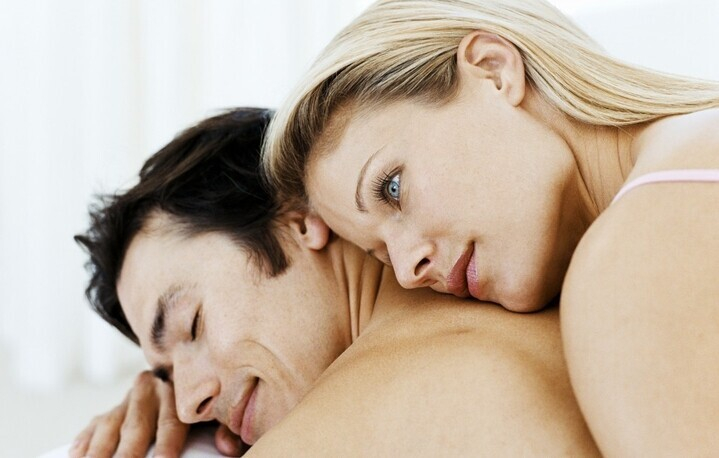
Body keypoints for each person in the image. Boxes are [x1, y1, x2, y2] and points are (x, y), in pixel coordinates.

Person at [261, 0, 719, 455]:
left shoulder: (628, 265)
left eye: (393, 189)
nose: (406, 271)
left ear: (494, 71)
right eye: (379, 253)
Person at [72, 107, 599, 457]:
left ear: (298, 219)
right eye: (167, 375)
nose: (189, 405)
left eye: (192, 324)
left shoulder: (326, 438)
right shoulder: (554, 287)